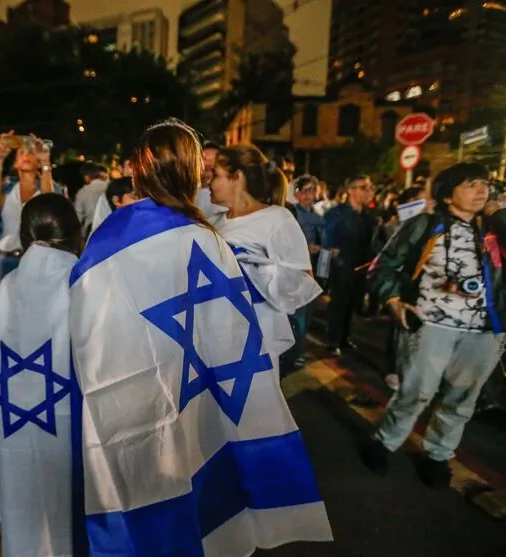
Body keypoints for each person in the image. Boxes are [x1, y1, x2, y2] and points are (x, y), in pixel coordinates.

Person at [70, 119, 331, 556]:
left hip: (136, 381)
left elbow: (87, 323)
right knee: (197, 451)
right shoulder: (206, 238)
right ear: (193, 174)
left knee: (151, 471)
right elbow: (232, 335)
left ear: (136, 171)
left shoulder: (108, 238)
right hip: (197, 378)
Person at [363, 163, 505, 488]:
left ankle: (439, 455)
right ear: (448, 192)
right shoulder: (424, 225)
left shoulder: (494, 229)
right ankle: (384, 442)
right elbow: (384, 265)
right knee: (417, 391)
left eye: (484, 184)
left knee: (462, 398)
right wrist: (394, 300)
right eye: (471, 184)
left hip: (485, 329)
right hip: (431, 323)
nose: (481, 190)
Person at [0, 194, 82, 557]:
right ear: (73, 233)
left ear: (25, 235)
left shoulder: (7, 287)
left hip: (13, 420)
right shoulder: (81, 283)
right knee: (67, 518)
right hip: (67, 422)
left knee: (23, 517)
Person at [209, 146, 321, 370]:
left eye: (216, 175)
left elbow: (303, 281)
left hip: (256, 341)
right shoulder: (213, 220)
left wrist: (258, 271)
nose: (209, 182)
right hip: (215, 337)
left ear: (237, 177)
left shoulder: (277, 219)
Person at [0, 131, 61, 282]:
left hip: (37, 261)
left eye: (31, 153)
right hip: (6, 259)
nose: (26, 155)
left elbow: (49, 204)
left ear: (38, 161)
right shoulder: (7, 190)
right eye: (21, 152)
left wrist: (46, 162)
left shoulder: (48, 187)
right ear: (15, 163)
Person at [323, 175, 376, 355]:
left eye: (369, 188)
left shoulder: (369, 216)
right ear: (351, 190)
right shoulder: (337, 213)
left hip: (362, 266)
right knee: (339, 303)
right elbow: (327, 240)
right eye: (363, 187)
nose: (368, 192)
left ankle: (345, 337)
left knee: (353, 303)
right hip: (342, 264)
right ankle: (333, 340)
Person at [284, 175, 325, 371]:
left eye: (311, 190)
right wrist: (305, 248)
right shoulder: (292, 215)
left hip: (314, 268)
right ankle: (294, 352)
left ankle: (297, 350)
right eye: (304, 190)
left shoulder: (319, 217)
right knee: (297, 315)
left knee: (307, 315)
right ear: (297, 193)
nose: (308, 195)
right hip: (296, 271)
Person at [73, 162, 108, 236]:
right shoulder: (109, 186)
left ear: (86, 177)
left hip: (90, 230)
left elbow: (77, 217)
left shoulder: (82, 192)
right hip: (109, 226)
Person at [195, 139, 225, 218]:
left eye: (213, 159)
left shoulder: (225, 195)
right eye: (204, 159)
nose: (208, 164)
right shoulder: (188, 192)